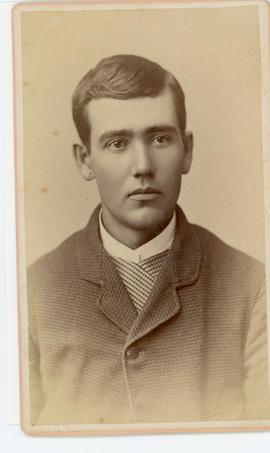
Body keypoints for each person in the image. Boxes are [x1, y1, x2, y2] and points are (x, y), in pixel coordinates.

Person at [27, 54, 270, 427]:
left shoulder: (251, 288)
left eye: (159, 138)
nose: (142, 165)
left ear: (186, 150)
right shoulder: (31, 293)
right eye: (117, 143)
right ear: (84, 160)